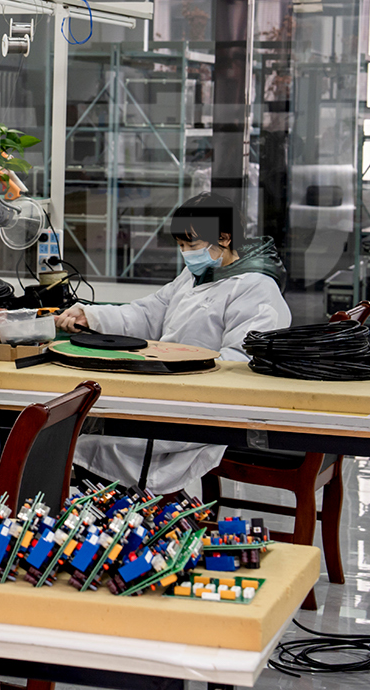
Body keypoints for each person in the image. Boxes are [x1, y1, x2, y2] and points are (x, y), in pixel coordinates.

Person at [55, 192, 289, 492]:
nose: (186, 254)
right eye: (181, 246)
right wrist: (92, 316)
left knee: (97, 443)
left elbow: (243, 362)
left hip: (207, 409)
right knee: (85, 433)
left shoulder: (256, 287)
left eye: (192, 245)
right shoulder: (197, 275)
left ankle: (134, 510)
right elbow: (149, 313)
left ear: (225, 238)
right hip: (172, 392)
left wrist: (182, 370)